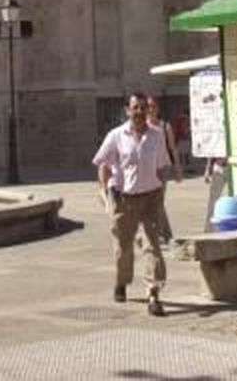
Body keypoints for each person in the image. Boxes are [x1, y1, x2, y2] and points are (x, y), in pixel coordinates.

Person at [93, 91, 169, 316]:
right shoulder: (116, 136)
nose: (139, 112)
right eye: (135, 108)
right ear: (127, 110)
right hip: (123, 199)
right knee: (124, 248)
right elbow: (103, 166)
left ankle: (153, 293)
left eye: (143, 108)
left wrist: (161, 193)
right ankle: (122, 281)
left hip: (151, 198)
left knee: (152, 246)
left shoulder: (157, 135)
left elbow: (161, 166)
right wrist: (105, 193)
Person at [146, 95, 182, 243]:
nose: (150, 109)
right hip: (148, 169)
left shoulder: (164, 126)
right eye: (148, 106)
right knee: (154, 202)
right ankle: (166, 235)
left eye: (153, 106)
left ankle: (160, 235)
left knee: (158, 201)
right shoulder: (143, 126)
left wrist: (178, 168)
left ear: (158, 108)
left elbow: (173, 148)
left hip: (163, 168)